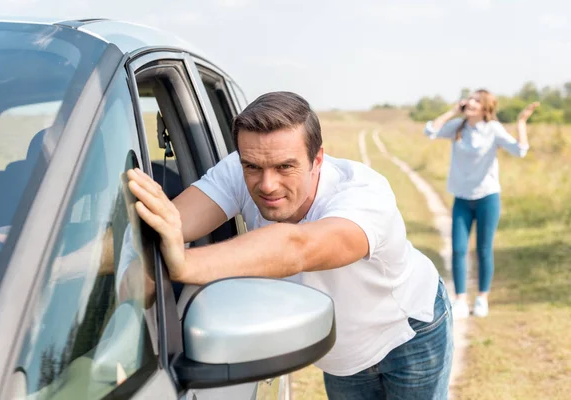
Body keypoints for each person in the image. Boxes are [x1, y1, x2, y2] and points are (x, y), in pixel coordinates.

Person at [127, 91, 453, 399]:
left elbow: (297, 247)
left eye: (285, 166)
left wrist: (184, 264)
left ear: (318, 160)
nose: (267, 185)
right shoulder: (239, 170)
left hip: (407, 333)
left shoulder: (365, 195)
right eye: (252, 167)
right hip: (339, 352)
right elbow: (163, 227)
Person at [424, 89, 539, 319]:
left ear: (485, 107)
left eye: (477, 100)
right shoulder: (458, 127)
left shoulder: (493, 129)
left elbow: (520, 151)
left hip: (488, 198)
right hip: (462, 199)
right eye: (470, 99)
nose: (471, 102)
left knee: (484, 250)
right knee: (458, 249)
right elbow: (430, 131)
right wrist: (452, 111)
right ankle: (460, 300)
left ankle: (482, 299)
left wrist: (521, 122)